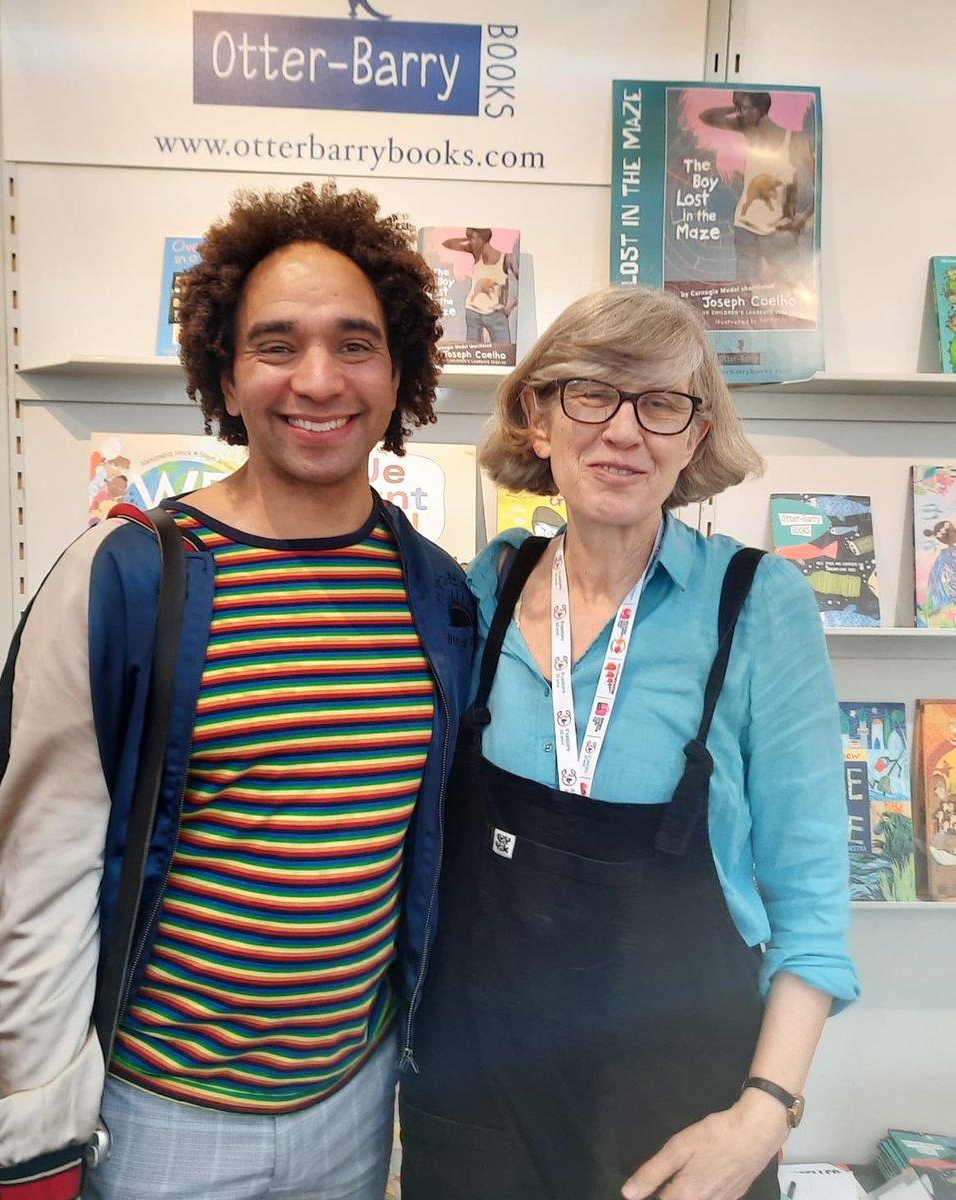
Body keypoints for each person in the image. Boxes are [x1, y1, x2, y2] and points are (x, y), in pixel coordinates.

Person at [0, 180, 475, 1200]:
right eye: (277, 345)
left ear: (400, 371)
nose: (318, 380)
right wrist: (41, 1143)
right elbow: (34, 885)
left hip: (357, 1105)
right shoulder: (129, 574)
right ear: (226, 377)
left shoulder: (438, 594)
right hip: (159, 1123)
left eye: (355, 344)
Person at [399, 286, 859, 1200]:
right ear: (536, 416)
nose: (623, 431)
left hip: (681, 1126)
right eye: (590, 394)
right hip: (475, 1115)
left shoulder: (758, 607)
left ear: (694, 436)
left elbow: (812, 906)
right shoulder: (475, 597)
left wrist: (763, 1113)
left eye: (660, 404)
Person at [700, 91, 816, 287]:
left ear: (761, 109)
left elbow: (818, 186)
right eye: (736, 107)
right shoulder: (748, 130)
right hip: (744, 229)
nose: (739, 114)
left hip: (778, 234)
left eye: (743, 108)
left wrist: (801, 220)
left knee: (793, 291)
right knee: (743, 293)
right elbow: (707, 117)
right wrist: (738, 109)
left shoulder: (795, 141)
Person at [441, 228, 519, 346]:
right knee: (472, 353)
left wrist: (510, 306)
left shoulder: (506, 258)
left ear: (482, 238)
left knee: (505, 351)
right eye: (470, 238)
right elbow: (447, 244)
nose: (470, 242)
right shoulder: (476, 255)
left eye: (473, 238)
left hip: (496, 314)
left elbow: (522, 282)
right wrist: (469, 239)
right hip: (473, 312)